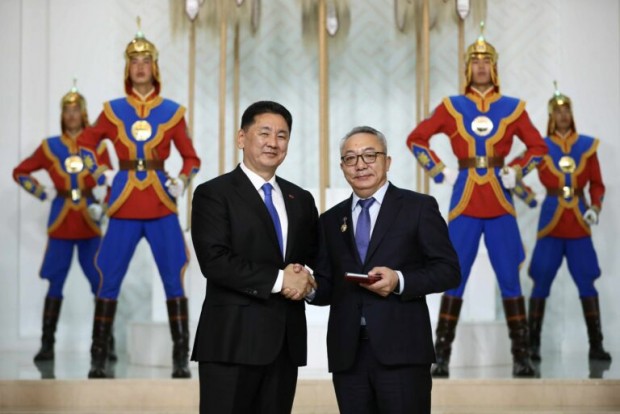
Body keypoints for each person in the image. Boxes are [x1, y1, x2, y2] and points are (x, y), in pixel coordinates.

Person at [405, 24, 548, 377]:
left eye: (486, 61)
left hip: (500, 201)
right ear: (468, 67)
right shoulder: (452, 107)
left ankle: (522, 357)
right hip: (464, 201)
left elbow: (538, 147)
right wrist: (439, 170)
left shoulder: (513, 108)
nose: (481, 66)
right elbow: (416, 139)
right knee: (453, 275)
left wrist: (517, 170)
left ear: (494, 67)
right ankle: (441, 356)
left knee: (509, 277)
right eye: (475, 61)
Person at [306, 126, 460, 414]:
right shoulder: (330, 220)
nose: (360, 164)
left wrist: (399, 280)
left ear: (387, 162)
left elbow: (448, 270)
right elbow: (329, 285)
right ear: (342, 167)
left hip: (403, 352)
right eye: (351, 158)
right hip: (348, 355)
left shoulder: (418, 207)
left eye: (370, 155)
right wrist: (310, 287)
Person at [78, 23, 201, 379]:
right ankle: (98, 357)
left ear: (155, 67)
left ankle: (180, 358)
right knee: (108, 277)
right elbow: (85, 144)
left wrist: (181, 180)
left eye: (146, 61)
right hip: (123, 203)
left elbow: (191, 158)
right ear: (127, 68)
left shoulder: (173, 112)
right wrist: (101, 174)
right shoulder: (112, 109)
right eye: (134, 61)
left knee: (173, 276)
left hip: (161, 203)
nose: (141, 67)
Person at [190, 101, 318, 414]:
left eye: (282, 135)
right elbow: (215, 261)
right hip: (231, 343)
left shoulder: (300, 199)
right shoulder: (213, 193)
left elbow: (313, 258)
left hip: (284, 345)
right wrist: (280, 279)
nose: (273, 142)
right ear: (241, 138)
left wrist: (308, 282)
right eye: (264, 133)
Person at [13, 84, 111, 363]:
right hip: (61, 221)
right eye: (67, 110)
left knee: (101, 281)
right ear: (62, 114)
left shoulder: (97, 146)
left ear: (84, 113)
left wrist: (104, 207)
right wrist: (40, 191)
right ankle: (47, 345)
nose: (71, 115)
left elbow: (111, 181)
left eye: (76, 110)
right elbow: (20, 172)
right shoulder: (50, 146)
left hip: (89, 221)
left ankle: (105, 343)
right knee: (55, 282)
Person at [526, 85, 611, 362]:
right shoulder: (540, 147)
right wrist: (527, 197)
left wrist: (595, 207)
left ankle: (596, 345)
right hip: (550, 223)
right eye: (558, 111)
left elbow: (596, 184)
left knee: (587, 280)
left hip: (579, 223)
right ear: (551, 116)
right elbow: (516, 170)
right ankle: (532, 345)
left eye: (567, 111)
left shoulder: (586, 146)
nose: (563, 115)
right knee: (540, 280)